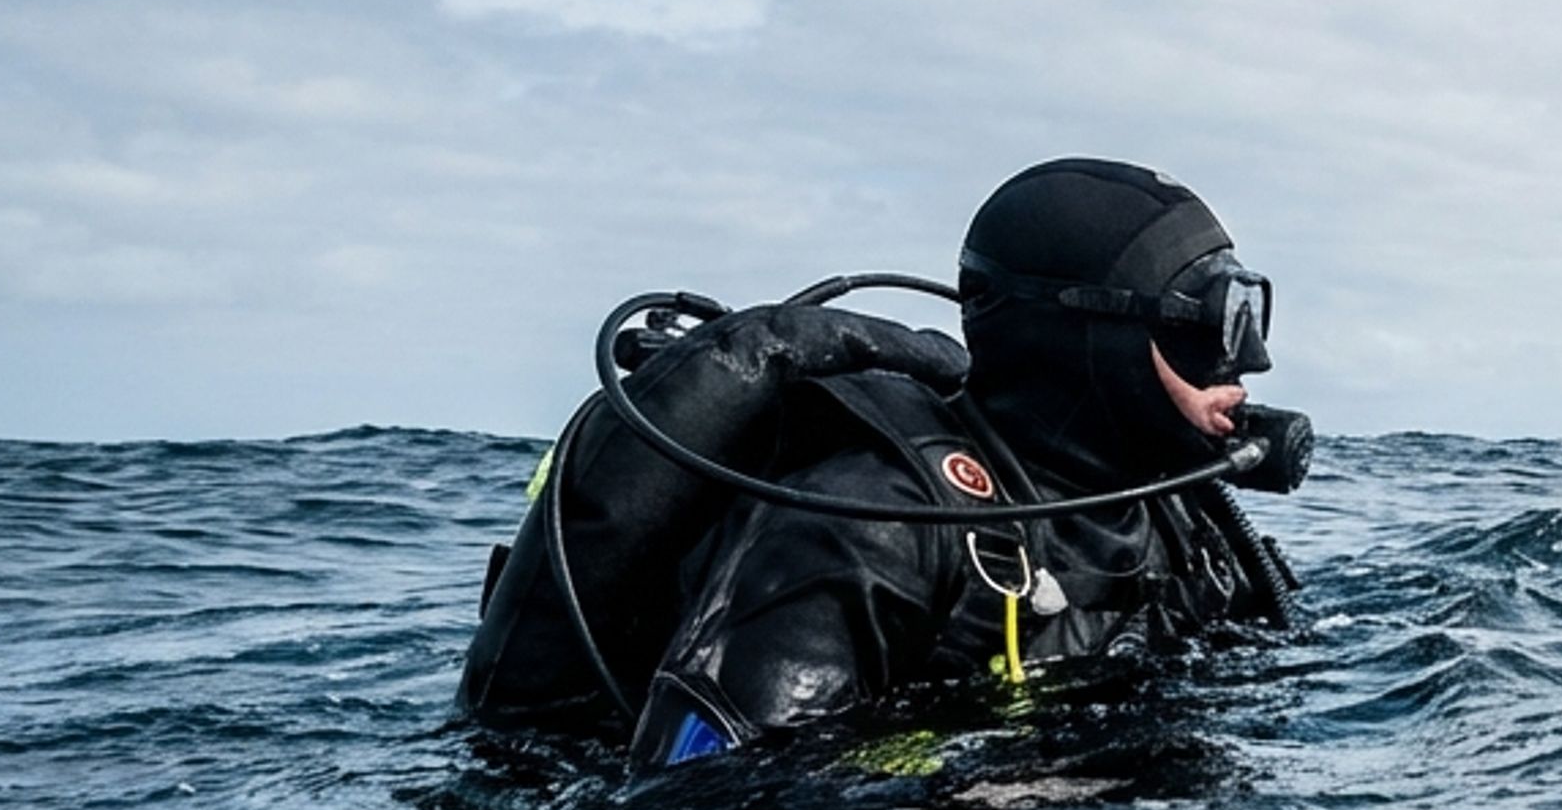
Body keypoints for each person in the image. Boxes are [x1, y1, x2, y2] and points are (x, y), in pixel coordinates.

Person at [459, 158, 1303, 765]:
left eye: (1246, 320)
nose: (1247, 363)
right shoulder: (873, 525)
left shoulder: (1176, 512)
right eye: (1204, 327)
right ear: (1087, 343)